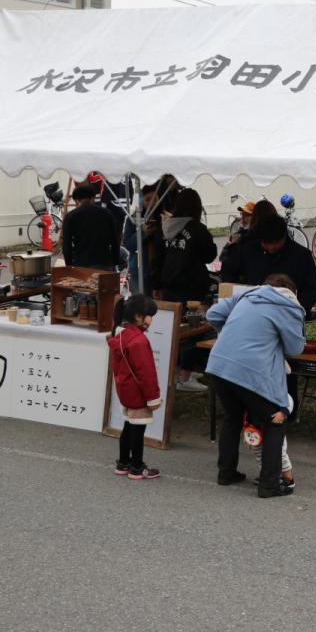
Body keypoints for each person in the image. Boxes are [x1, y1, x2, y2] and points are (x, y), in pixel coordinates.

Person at [206, 274, 304, 498]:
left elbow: (213, 314)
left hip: (219, 364)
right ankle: (270, 484)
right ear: (291, 293)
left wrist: (230, 335)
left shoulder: (247, 294)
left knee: (232, 418)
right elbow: (295, 347)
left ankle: (226, 473)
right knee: (275, 421)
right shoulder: (287, 306)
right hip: (251, 372)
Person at [150, 189, 218, 392]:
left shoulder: (165, 228)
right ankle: (184, 376)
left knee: (173, 330)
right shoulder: (197, 229)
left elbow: (156, 259)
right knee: (191, 331)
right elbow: (209, 255)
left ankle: (176, 371)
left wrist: (156, 285)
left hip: (169, 286)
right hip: (191, 287)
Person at [107, 294, 162, 480]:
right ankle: (137, 467)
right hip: (138, 393)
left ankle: (123, 462)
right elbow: (146, 373)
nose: (151, 319)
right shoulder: (139, 341)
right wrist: (153, 397)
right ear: (139, 316)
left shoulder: (120, 335)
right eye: (149, 315)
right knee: (138, 430)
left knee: (128, 426)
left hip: (126, 390)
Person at [220, 215, 316, 313]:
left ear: (284, 236)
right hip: (253, 309)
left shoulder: (301, 255)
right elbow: (228, 272)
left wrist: (298, 309)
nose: (271, 247)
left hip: (288, 312)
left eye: (276, 242)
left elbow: (312, 289)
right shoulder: (248, 251)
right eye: (266, 243)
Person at [62, 183, 120, 270]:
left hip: (81, 264)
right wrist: (115, 262)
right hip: (104, 263)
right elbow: (115, 240)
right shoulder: (107, 213)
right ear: (93, 198)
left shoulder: (70, 216)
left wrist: (69, 265)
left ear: (76, 200)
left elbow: (66, 244)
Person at [219, 198, 276, 279]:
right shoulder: (238, 235)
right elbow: (222, 258)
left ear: (255, 217)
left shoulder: (255, 237)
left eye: (247, 215)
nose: (242, 217)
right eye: (242, 214)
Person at [123, 183, 157, 294]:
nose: (152, 203)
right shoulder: (133, 219)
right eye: (148, 200)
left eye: (155, 199)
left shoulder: (163, 217)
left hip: (157, 269)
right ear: (142, 201)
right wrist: (143, 232)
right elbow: (128, 244)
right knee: (139, 303)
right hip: (138, 269)